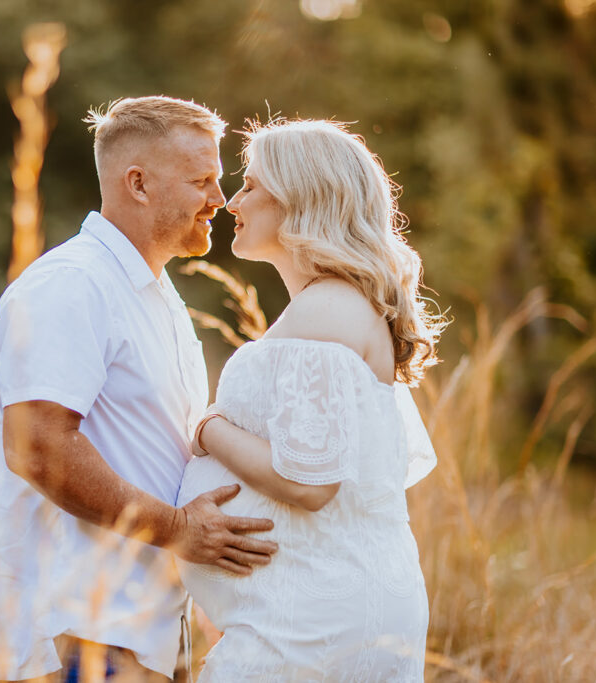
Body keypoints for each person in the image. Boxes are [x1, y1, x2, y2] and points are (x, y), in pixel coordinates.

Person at [0, 96, 280, 682]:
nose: (220, 200)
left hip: (135, 635)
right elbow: (37, 446)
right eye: (203, 181)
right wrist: (179, 531)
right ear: (138, 184)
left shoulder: (155, 297)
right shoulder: (71, 285)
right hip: (77, 637)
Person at [177, 119, 444, 681]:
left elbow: (309, 484)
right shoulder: (337, 306)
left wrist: (206, 428)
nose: (232, 202)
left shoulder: (326, 310)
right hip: (316, 605)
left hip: (310, 622)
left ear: (300, 198)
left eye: (250, 185)